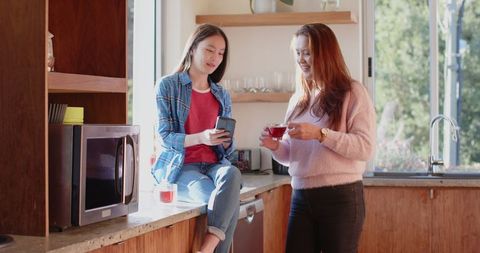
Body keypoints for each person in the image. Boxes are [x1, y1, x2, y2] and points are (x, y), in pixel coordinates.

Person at [259, 23, 376, 253]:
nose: (301, 59)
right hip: (301, 196)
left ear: (326, 54)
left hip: (341, 197)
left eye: (308, 52)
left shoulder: (353, 92)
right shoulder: (298, 100)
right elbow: (291, 155)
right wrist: (275, 147)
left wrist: (320, 135)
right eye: (298, 53)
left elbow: (364, 148)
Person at [151, 24, 241, 253]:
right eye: (210, 50)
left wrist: (226, 141)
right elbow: (165, 138)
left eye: (221, 53)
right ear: (192, 48)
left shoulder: (221, 94)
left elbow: (229, 154)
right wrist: (201, 137)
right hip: (182, 167)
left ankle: (206, 249)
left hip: (214, 165)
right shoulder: (168, 86)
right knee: (221, 200)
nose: (216, 58)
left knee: (232, 173)